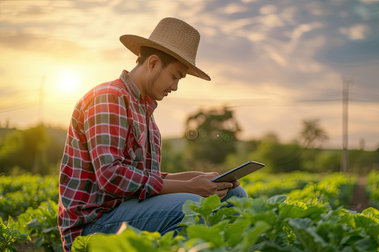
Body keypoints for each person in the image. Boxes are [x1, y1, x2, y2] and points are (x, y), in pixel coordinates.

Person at [57, 17, 247, 251]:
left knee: (235, 195)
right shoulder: (109, 97)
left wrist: (197, 178)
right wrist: (189, 187)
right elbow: (111, 176)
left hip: (128, 211)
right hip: (94, 225)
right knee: (192, 205)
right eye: (175, 76)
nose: (175, 87)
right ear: (154, 63)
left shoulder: (144, 110)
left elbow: (148, 179)